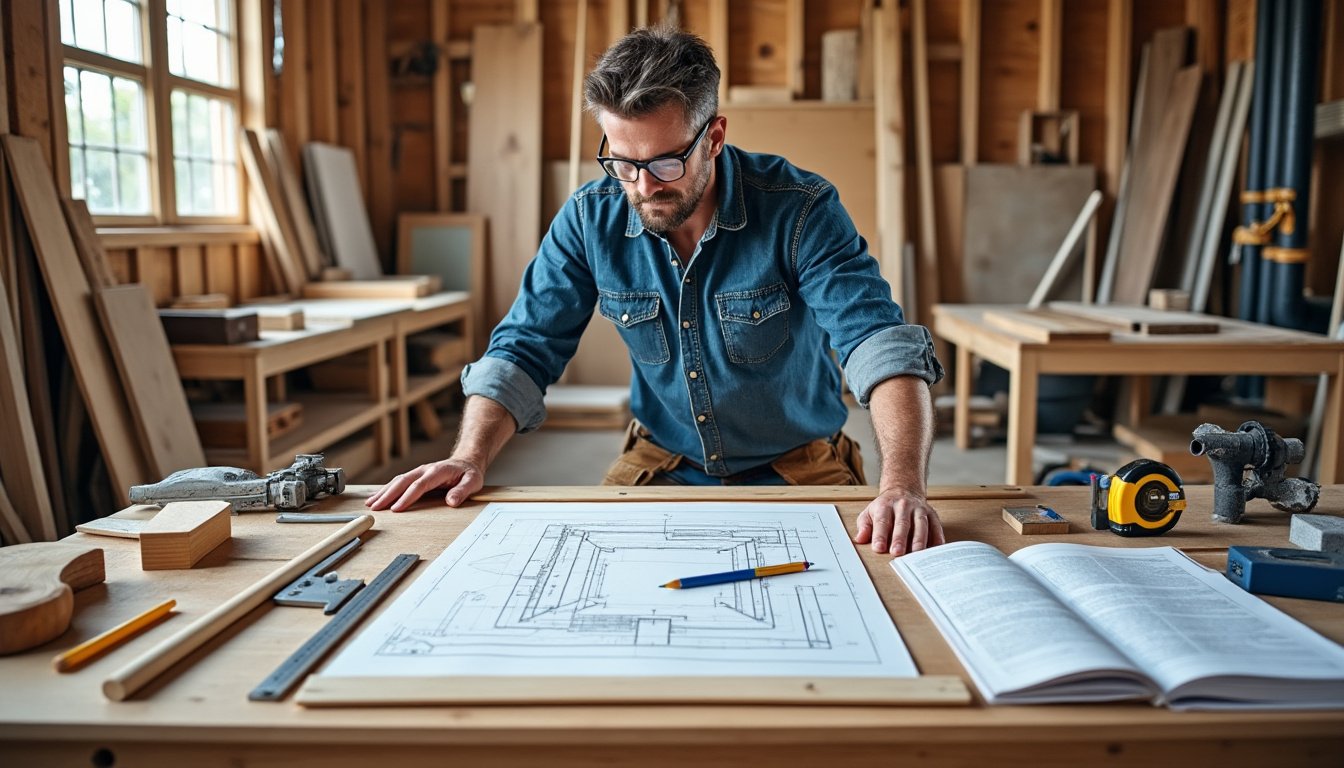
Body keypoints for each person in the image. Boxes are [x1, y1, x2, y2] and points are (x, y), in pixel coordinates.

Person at [367, 24, 946, 556]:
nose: (643, 187)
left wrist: (903, 485)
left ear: (714, 136)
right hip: (662, 457)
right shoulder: (590, 219)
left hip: (798, 460)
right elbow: (523, 348)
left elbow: (877, 343)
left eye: (666, 163)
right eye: (622, 163)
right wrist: (468, 456)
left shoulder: (801, 210)